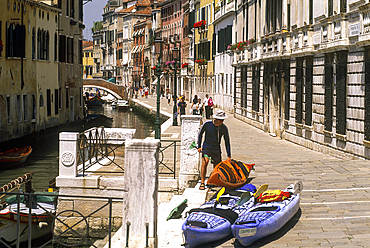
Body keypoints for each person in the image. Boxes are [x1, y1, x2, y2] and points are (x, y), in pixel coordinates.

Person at [197, 110, 231, 190]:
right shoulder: (207, 124)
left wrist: (229, 156)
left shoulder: (224, 128)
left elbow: (227, 142)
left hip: (216, 148)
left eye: (223, 120)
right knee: (205, 162)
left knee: (217, 167)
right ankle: (202, 182)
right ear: (216, 119)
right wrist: (199, 146)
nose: (222, 121)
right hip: (207, 146)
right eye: (220, 120)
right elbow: (200, 134)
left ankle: (213, 181)